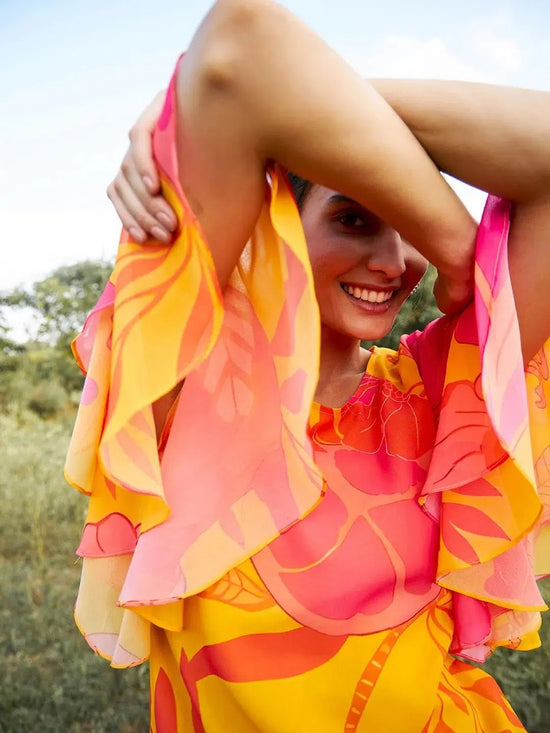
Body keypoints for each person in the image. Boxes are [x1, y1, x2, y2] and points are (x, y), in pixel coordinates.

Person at [66, 0, 550, 730]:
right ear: (279, 227)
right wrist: (459, 250)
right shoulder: (187, 392)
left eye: (409, 226)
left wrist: (290, 114)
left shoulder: (432, 391)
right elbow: (240, 43)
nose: (395, 262)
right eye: (354, 218)